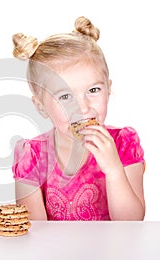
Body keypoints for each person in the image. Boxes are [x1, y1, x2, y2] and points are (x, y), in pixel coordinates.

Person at [11, 16, 145, 221]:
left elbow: (132, 223)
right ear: (41, 105)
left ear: (108, 90)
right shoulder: (32, 155)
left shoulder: (123, 143)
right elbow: (35, 232)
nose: (83, 107)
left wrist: (114, 170)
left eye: (93, 90)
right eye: (65, 96)